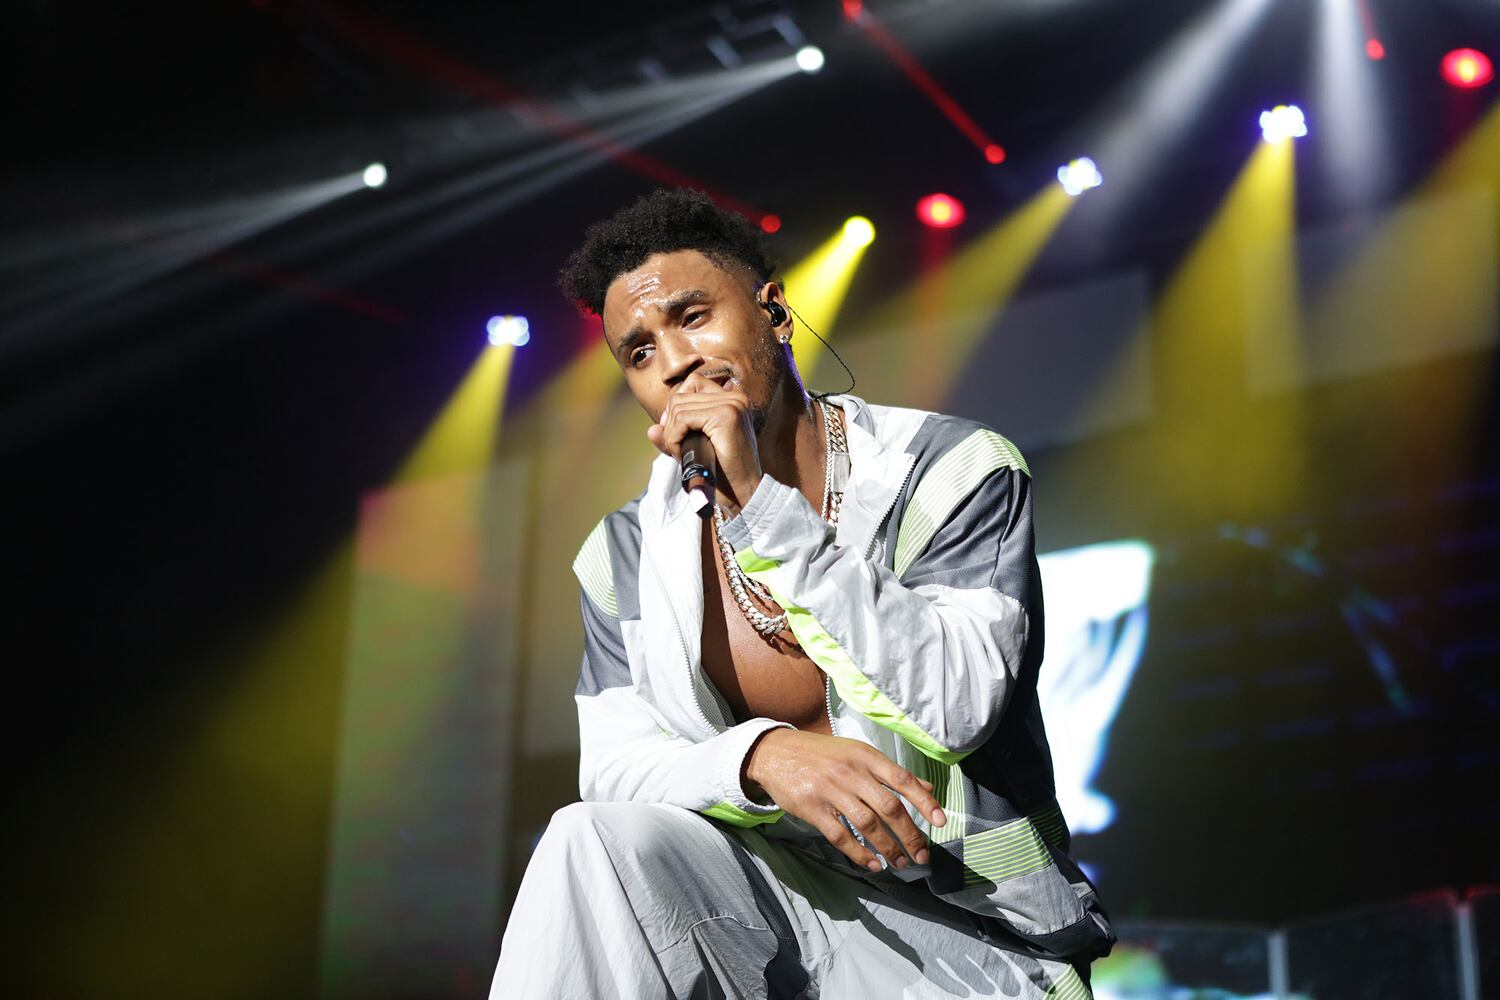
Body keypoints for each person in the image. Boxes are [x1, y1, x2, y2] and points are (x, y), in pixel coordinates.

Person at [491, 188, 1113, 998]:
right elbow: (613, 768)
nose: (673, 362)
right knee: (587, 840)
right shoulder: (626, 552)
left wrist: (760, 504)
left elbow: (954, 706)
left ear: (774, 314)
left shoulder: (949, 471)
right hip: (769, 911)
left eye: (692, 317)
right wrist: (759, 757)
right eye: (639, 353)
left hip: (970, 930)